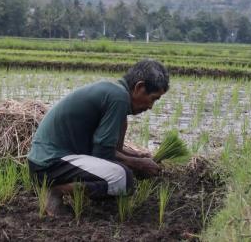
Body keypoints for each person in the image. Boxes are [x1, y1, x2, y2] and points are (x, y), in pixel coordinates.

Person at [27, 59, 169, 216]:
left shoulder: (115, 94)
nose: (150, 106)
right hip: (50, 162)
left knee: (122, 171)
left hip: (46, 161)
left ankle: (62, 188)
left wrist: (137, 156)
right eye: (154, 98)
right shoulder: (119, 98)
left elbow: (113, 149)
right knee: (124, 178)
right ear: (139, 87)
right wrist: (138, 165)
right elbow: (102, 153)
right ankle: (56, 191)